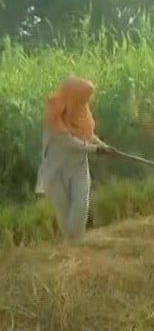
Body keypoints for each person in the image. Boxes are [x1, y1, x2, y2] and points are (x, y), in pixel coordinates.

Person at [35, 76, 117, 241]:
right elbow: (68, 143)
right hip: (57, 170)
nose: (86, 102)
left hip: (78, 167)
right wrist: (95, 150)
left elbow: (88, 135)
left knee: (81, 206)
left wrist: (104, 146)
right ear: (74, 96)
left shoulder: (81, 112)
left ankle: (75, 244)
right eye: (84, 98)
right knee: (63, 210)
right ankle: (72, 247)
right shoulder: (53, 116)